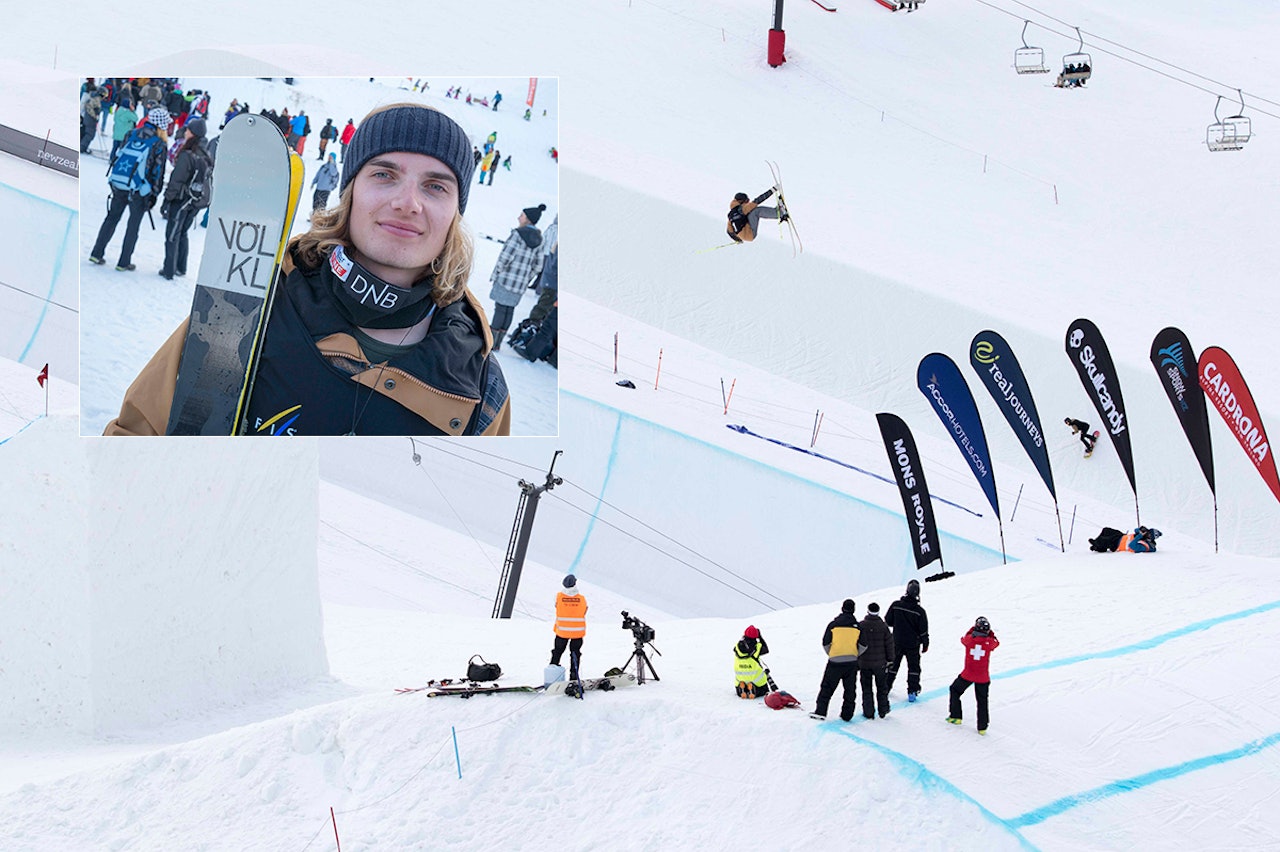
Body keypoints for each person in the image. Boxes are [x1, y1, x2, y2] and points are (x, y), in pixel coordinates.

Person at [104, 102, 511, 436]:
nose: (408, 203)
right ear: (350, 194)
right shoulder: (251, 305)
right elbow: (134, 441)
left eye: (435, 186)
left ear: (455, 215)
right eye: (384, 175)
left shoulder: (477, 383)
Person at [88, 111, 168, 272]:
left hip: (119, 183)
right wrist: (154, 194)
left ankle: (97, 253)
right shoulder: (159, 144)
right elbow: (158, 172)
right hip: (139, 190)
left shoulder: (131, 134)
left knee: (111, 218)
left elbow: (118, 156)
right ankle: (123, 261)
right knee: (133, 226)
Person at [159, 118, 213, 281]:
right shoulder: (206, 154)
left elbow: (177, 180)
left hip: (181, 200)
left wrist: (167, 200)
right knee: (183, 233)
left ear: (193, 133)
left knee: (172, 235)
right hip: (195, 202)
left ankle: (169, 270)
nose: (186, 132)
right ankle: (181, 267)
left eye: (188, 130)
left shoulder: (187, 154)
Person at [487, 204, 546, 350]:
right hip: (520, 284)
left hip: (506, 279)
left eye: (522, 215)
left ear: (528, 219)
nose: (519, 217)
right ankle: (498, 343)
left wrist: (497, 273)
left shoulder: (517, 234)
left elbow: (505, 257)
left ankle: (492, 342)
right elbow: (538, 266)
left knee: (500, 308)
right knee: (509, 310)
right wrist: (526, 278)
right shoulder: (540, 239)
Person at [946, 616, 999, 734]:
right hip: (983, 677)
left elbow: (964, 638)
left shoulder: (969, 640)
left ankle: (956, 716)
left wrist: (973, 630)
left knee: (954, 690)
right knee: (982, 701)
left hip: (968, 675)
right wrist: (990, 633)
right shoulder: (989, 643)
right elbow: (996, 642)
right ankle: (982, 727)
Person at [812, 599, 861, 722]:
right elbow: (864, 644)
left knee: (827, 687)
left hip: (835, 662)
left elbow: (825, 642)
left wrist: (833, 653)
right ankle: (847, 715)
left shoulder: (833, 625)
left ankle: (821, 711)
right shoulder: (858, 626)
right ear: (853, 610)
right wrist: (854, 654)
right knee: (850, 689)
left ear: (842, 609)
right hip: (851, 662)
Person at [885, 578, 929, 702]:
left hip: (896, 641)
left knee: (892, 666)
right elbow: (923, 631)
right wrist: (925, 644)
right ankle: (912, 691)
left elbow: (888, 621)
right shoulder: (920, 611)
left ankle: (885, 688)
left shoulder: (896, 605)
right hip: (913, 644)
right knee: (914, 668)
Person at [858, 602, 895, 719]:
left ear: (868, 611)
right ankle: (883, 709)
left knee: (867, 688)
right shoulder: (883, 627)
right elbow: (889, 644)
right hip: (880, 664)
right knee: (881, 687)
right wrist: (890, 660)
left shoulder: (861, 626)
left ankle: (868, 712)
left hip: (864, 663)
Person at [550, 575, 588, 685]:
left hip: (562, 632)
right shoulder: (582, 599)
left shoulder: (558, 597)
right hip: (578, 632)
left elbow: (556, 606)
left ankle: (553, 675)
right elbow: (585, 610)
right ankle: (574, 676)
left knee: (557, 652)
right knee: (575, 653)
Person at [732, 625, 771, 699]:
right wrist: (760, 637)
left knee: (741, 680)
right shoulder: (757, 647)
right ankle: (753, 688)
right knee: (764, 688)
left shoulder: (737, 647)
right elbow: (766, 649)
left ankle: (743, 687)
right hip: (756, 682)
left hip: (740, 680)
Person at [108, 96, 138, 162]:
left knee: (114, 147)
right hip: (124, 135)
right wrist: (133, 111)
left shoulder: (118, 111)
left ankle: (111, 158)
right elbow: (136, 118)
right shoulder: (129, 113)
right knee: (122, 149)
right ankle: (118, 160)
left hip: (116, 133)